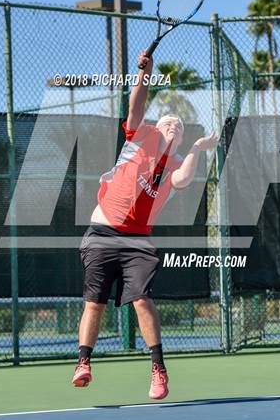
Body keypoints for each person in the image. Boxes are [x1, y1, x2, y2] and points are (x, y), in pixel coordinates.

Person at [72, 51, 217, 400]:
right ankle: (83, 362)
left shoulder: (176, 163)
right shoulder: (141, 138)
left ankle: (158, 369)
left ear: (180, 140)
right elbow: (136, 107)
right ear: (156, 127)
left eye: (178, 128)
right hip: (102, 233)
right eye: (168, 123)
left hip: (137, 241)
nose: (172, 127)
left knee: (142, 301)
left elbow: (183, 180)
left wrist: (197, 147)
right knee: (95, 303)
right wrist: (144, 75)